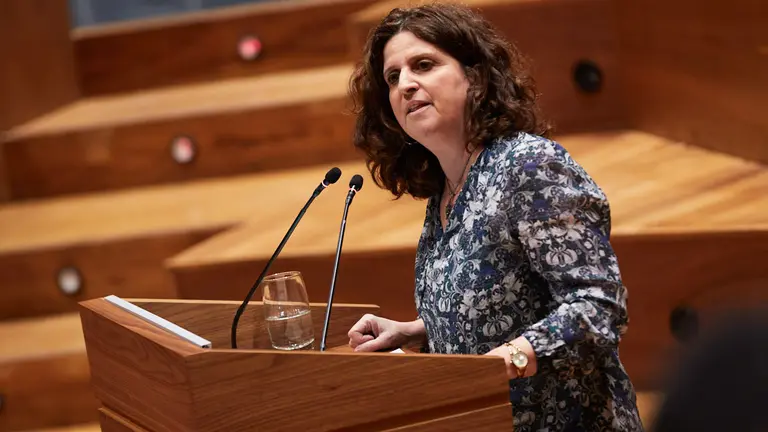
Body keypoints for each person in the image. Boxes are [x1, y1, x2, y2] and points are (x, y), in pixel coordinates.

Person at [345, 3, 643, 431]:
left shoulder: (528, 166)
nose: (406, 85)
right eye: (393, 77)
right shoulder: (445, 194)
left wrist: (507, 362)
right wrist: (418, 331)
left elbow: (598, 309)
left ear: (475, 77)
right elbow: (504, 308)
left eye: (423, 65)